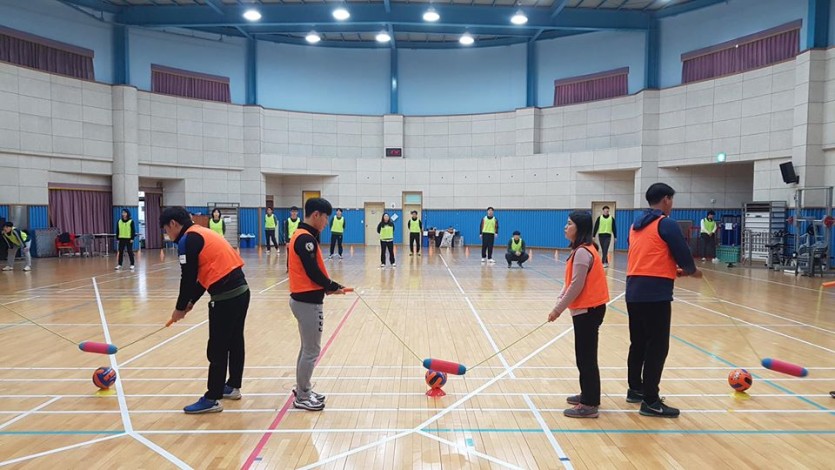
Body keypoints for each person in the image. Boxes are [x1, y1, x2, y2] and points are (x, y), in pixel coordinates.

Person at [161, 206, 250, 414]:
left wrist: (180, 308)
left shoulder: (188, 240)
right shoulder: (202, 232)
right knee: (235, 341)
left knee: (217, 348)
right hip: (242, 292)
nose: (167, 234)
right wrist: (191, 301)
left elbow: (188, 278)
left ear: (173, 224)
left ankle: (212, 398)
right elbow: (203, 276)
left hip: (226, 298)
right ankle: (233, 386)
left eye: (166, 230)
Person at [626, 183, 701, 418]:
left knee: (638, 343)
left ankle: (635, 389)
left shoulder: (635, 225)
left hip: (633, 291)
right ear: (666, 199)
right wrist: (691, 270)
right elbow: (683, 253)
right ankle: (650, 401)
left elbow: (649, 255)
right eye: (672, 200)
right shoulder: (666, 223)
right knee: (657, 347)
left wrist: (673, 270)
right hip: (655, 293)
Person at [548, 211, 609, 418]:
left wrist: (557, 310)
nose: (565, 227)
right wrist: (560, 300)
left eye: (569, 224)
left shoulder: (583, 252)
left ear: (580, 228)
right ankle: (588, 394)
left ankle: (590, 403)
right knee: (584, 356)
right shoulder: (580, 250)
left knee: (586, 357)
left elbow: (577, 285)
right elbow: (570, 282)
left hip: (589, 310)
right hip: (586, 309)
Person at [288, 197, 347, 411]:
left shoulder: (304, 236)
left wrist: (329, 287)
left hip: (305, 299)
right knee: (312, 350)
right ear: (316, 215)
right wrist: (331, 285)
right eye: (325, 218)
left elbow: (313, 272)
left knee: (307, 348)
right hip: (307, 302)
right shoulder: (305, 239)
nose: (326, 223)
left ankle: (303, 389)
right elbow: (312, 271)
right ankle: (303, 396)